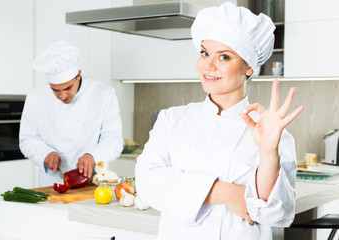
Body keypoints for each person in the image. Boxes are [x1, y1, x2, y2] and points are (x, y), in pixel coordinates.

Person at [135, 3, 304, 240]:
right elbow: (147, 183)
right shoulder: (171, 119)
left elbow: (277, 214)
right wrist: (225, 192)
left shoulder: (273, 135)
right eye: (204, 53)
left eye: (224, 56)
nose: (209, 65)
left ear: (249, 67)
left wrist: (268, 153)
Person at [19, 41, 123, 187]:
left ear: (78, 75)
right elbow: (27, 139)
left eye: (68, 88)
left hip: (93, 182)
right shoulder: (35, 97)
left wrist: (93, 156)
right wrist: (44, 153)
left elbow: (114, 140)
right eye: (55, 90)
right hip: (52, 182)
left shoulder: (103, 94)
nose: (62, 96)